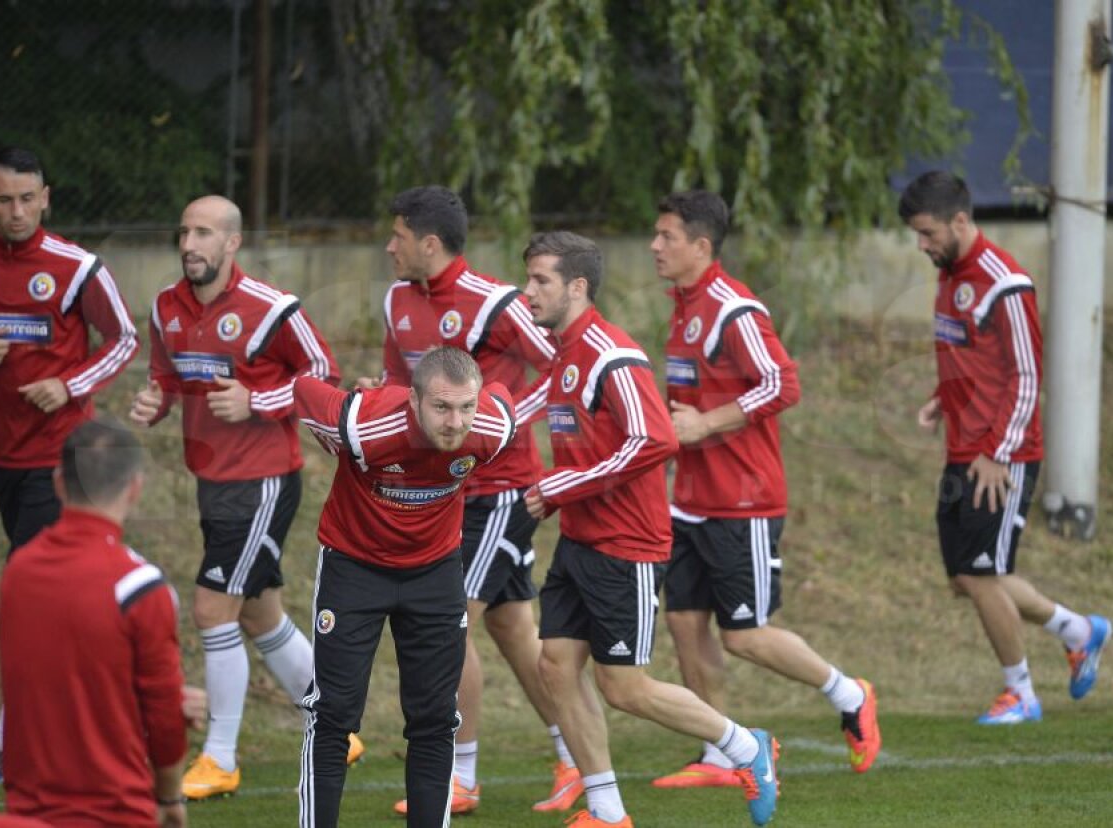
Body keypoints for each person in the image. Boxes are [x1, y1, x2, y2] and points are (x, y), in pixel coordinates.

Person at [518, 231, 779, 828]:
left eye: (541, 281)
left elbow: (654, 440)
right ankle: (608, 812)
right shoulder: (565, 355)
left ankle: (744, 746)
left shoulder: (613, 354)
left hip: (625, 548)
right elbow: (523, 416)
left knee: (625, 688)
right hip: (581, 542)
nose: (529, 291)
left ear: (577, 287)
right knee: (555, 664)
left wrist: (562, 486)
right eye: (529, 279)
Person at [649, 190, 881, 784]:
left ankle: (849, 694)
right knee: (683, 623)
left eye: (666, 237)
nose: (655, 246)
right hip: (690, 502)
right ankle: (721, 753)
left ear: (701, 246)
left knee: (746, 635)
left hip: (743, 500)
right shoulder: (683, 305)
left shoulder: (733, 308)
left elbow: (783, 383)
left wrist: (706, 421)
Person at [362, 186, 577, 817]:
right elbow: (401, 384)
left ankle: (462, 775)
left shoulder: (493, 302)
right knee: (513, 629)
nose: (388, 245)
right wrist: (381, 397)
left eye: (397, 235)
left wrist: (503, 421)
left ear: (428, 243)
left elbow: (563, 363)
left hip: (501, 490)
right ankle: (574, 756)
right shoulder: (397, 299)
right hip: (444, 490)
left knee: (446, 619)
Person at [129, 195, 351, 799]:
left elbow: (323, 376)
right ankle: (339, 724)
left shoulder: (273, 309)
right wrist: (157, 403)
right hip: (211, 477)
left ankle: (220, 757)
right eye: (184, 232)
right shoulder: (165, 307)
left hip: (263, 481)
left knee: (211, 610)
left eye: (203, 233)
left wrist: (258, 401)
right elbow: (168, 377)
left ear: (231, 244)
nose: (189, 244)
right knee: (258, 612)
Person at [898, 170, 1112, 723]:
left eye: (927, 233)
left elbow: (1024, 374)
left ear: (960, 221)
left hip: (1001, 455)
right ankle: (1079, 631)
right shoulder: (950, 274)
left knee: (981, 574)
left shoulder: (1003, 282)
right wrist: (941, 399)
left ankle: (1021, 693)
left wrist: (999, 451)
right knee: (964, 577)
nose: (921, 246)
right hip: (965, 449)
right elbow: (973, 360)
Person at [0, 147, 138, 785]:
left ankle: (12, 741)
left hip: (62, 456)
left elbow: (124, 339)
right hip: (4, 456)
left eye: (27, 199)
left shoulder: (77, 267)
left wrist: (70, 385)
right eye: (3, 200)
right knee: (62, 601)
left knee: (24, 592)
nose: (16, 211)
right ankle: (99, 722)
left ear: (46, 198)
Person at [294, 346, 517, 828]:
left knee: (436, 720)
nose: (455, 422)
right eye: (441, 407)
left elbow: (501, 397)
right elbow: (304, 390)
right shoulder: (361, 424)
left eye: (466, 407)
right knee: (332, 714)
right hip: (354, 570)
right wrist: (333, 431)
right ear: (413, 401)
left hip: (434, 574)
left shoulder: (493, 428)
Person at [0, 418, 199, 827]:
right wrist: (170, 796)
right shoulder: (140, 587)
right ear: (135, 489)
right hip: (115, 811)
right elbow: (163, 718)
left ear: (58, 482)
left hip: (26, 813)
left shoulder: (18, 573)